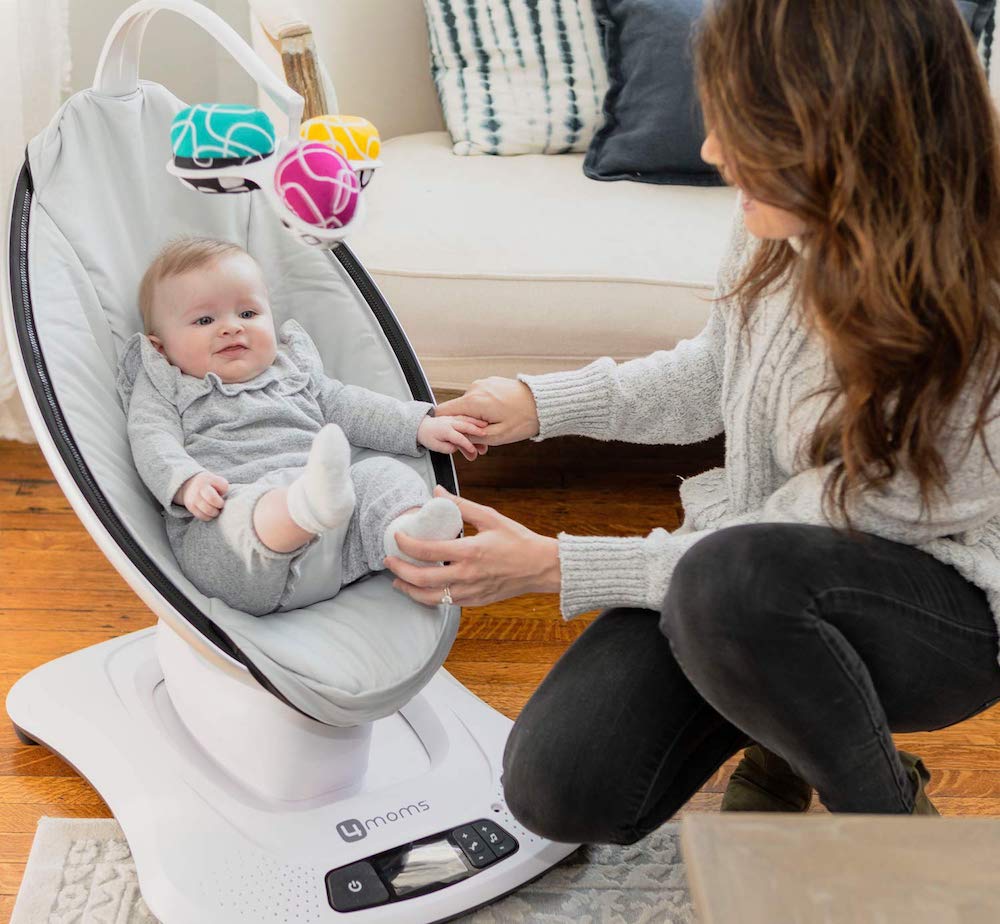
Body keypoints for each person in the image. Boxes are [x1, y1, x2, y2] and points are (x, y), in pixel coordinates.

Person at [384, 0, 1000, 833]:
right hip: (753, 582)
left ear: (841, 132)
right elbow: (716, 370)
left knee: (734, 586)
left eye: (739, 129)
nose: (712, 154)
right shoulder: (780, 223)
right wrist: (536, 405)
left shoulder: (976, 300)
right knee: (559, 789)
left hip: (942, 608)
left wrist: (554, 565)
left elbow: (834, 524)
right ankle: (788, 722)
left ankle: (891, 829)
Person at [118, 238, 487, 616]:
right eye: (205, 320)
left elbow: (351, 406)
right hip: (239, 538)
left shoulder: (293, 372)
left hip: (337, 539)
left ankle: (405, 536)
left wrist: (418, 425)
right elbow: (151, 438)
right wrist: (185, 481)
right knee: (247, 515)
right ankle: (304, 506)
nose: (231, 329)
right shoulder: (168, 385)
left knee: (384, 476)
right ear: (160, 349)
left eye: (247, 314)